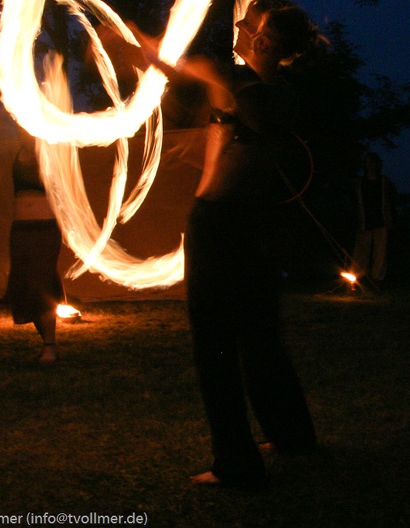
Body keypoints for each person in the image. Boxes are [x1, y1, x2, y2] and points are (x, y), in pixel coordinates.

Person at [134, 0, 324, 487]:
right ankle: (291, 435)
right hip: (245, 224)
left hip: (222, 227)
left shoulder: (255, 90)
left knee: (216, 344)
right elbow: (240, 138)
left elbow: (183, 72)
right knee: (260, 336)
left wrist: (138, 45)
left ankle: (236, 463)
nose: (239, 25)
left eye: (249, 24)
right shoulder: (264, 92)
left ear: (264, 41)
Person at [4, 128, 64, 365]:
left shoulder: (48, 156)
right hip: (20, 230)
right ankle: (46, 344)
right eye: (20, 132)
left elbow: (60, 189)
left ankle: (50, 346)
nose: (23, 136)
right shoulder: (16, 155)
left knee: (42, 284)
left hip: (45, 229)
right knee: (26, 284)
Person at [352, 152, 395, 284]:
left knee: (380, 252)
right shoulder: (359, 182)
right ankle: (358, 278)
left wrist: (390, 219)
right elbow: (354, 202)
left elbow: (389, 201)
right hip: (364, 221)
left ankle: (377, 279)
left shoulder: (384, 181)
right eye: (368, 162)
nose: (370, 165)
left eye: (373, 162)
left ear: (378, 164)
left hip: (381, 220)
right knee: (361, 251)